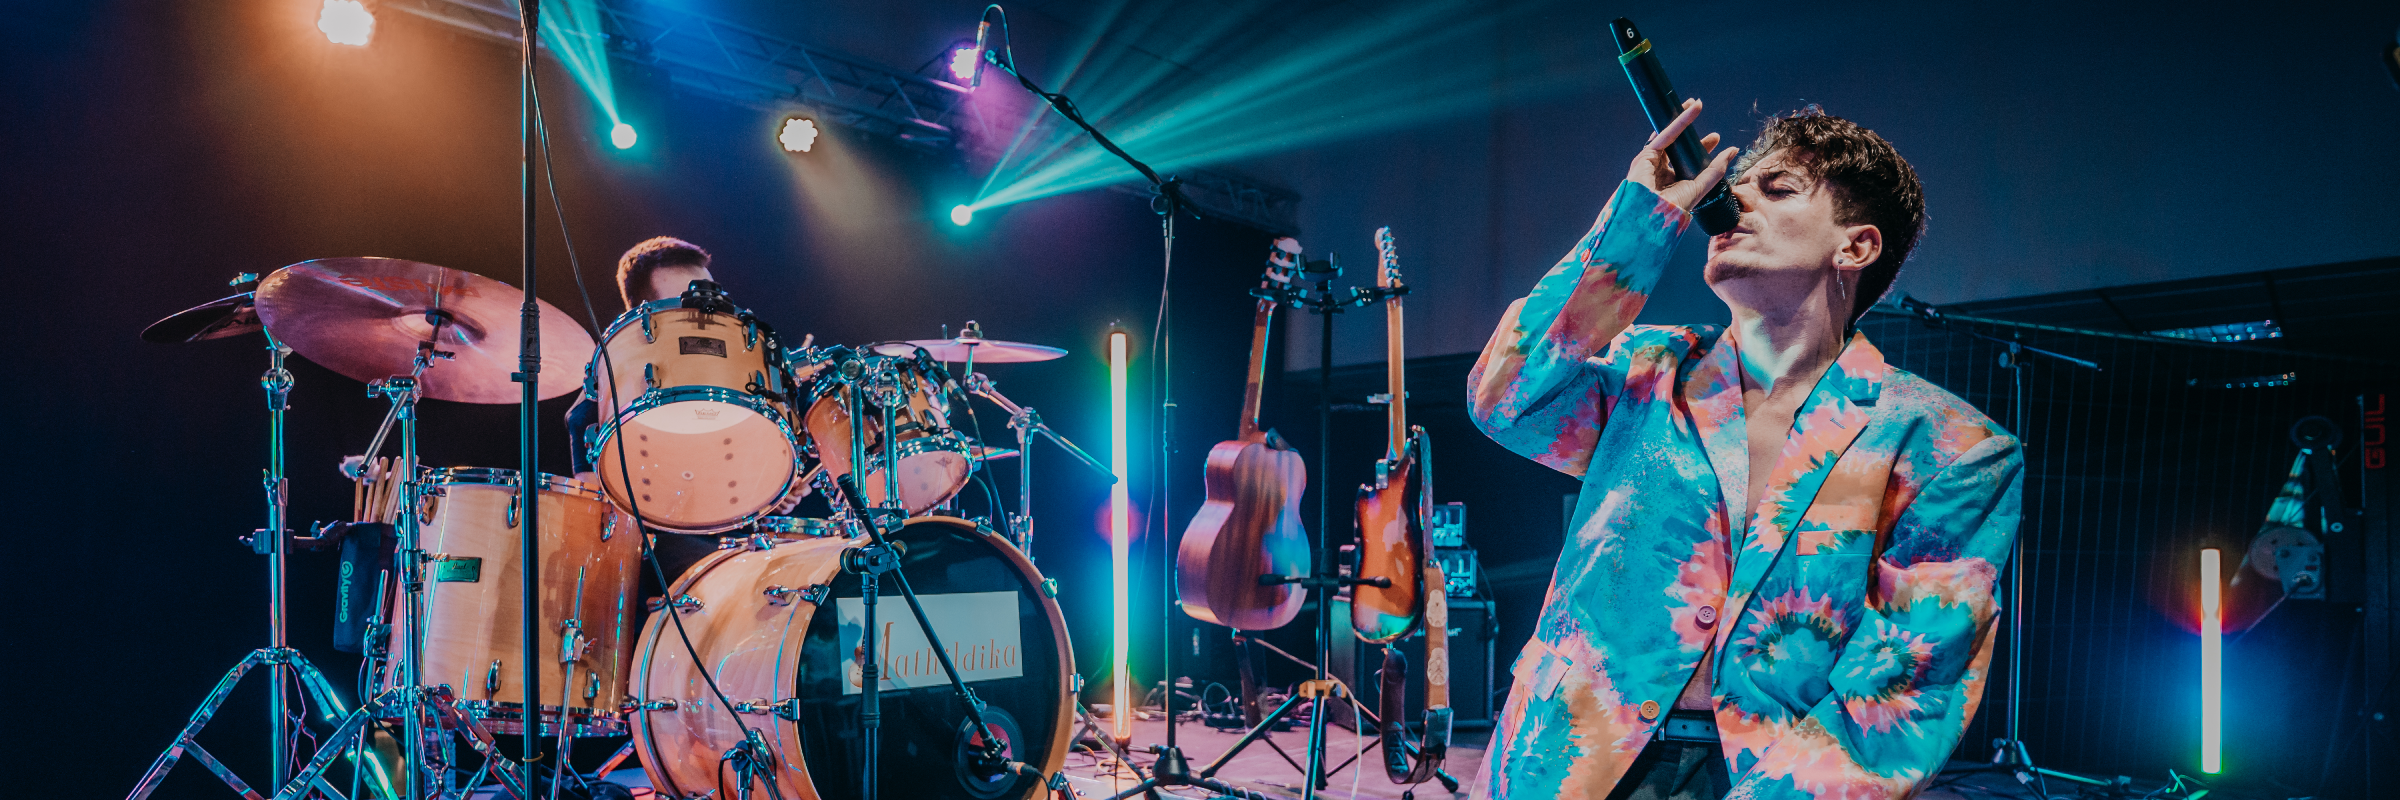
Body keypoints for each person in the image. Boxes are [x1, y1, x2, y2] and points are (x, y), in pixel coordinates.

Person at [1466, 100, 2023, 800]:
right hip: (1564, 767)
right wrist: (1638, 224)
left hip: (1768, 780)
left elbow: (1902, 689)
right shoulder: (1644, 374)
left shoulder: (1953, 448)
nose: (1730, 200)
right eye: (1737, 184)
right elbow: (1503, 395)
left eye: (1777, 187)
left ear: (1856, 246)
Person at [566, 236, 726, 586]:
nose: (706, 310)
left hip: (724, 537)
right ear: (644, 311)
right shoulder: (618, 374)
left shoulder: (721, 378)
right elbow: (580, 422)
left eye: (711, 295)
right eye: (689, 298)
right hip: (646, 546)